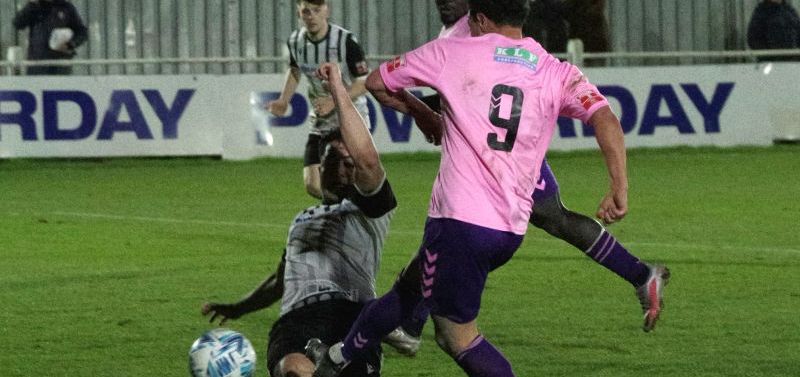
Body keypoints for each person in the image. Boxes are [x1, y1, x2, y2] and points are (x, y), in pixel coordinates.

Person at [305, 1, 662, 376]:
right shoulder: (554, 70)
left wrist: (425, 115)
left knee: (456, 337)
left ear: (477, 19)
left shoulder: (451, 51)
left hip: (461, 222)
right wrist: (618, 185)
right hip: (509, 228)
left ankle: (349, 355)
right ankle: (335, 360)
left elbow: (377, 82)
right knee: (409, 287)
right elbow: (605, 118)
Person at [202, 62, 398, 377]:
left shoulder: (370, 210)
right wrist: (237, 308)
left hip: (353, 317)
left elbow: (368, 160)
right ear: (320, 168)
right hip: (297, 319)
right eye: (333, 159)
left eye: (349, 161)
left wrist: (337, 88)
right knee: (294, 371)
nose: (343, 166)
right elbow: (281, 281)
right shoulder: (302, 219)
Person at [267, 0, 371, 200]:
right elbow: (295, 70)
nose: (312, 16)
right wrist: (283, 101)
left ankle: (352, 218)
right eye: (307, 11)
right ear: (299, 13)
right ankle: (345, 210)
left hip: (350, 119)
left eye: (317, 10)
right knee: (313, 185)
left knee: (354, 178)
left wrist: (334, 101)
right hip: (321, 122)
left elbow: (363, 83)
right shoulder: (296, 41)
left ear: (327, 11)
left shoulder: (345, 41)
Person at [12, 0, 88, 75]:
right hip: (37, 64)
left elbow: (82, 32)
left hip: (60, 65)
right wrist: (31, 5)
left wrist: (70, 45)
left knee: (61, 86)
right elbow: (18, 23)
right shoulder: (35, 7)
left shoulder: (66, 7)